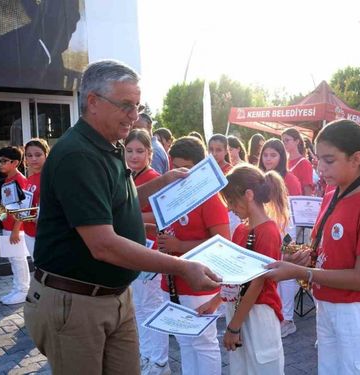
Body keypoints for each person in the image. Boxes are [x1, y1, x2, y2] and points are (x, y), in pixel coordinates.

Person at [24, 60, 220, 375]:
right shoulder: (79, 156)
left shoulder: (108, 146)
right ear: (93, 103)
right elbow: (104, 245)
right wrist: (183, 266)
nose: (134, 115)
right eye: (126, 106)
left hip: (112, 297)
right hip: (77, 303)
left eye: (137, 106)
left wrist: (164, 182)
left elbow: (118, 204)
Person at [267, 119, 360, 375]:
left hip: (357, 313)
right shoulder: (331, 195)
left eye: (329, 160)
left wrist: (301, 273)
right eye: (318, 159)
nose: (320, 167)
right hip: (327, 306)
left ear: (356, 158)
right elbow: (326, 249)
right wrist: (306, 257)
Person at [198, 165, 287, 374]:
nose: (229, 208)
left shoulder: (268, 231)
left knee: (263, 368)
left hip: (258, 313)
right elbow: (234, 276)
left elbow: (257, 283)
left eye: (231, 201)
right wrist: (214, 302)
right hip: (239, 309)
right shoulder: (241, 229)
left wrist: (234, 326)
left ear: (248, 195)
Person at [157, 136, 230, 375]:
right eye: (175, 166)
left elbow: (222, 244)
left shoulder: (209, 197)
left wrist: (179, 244)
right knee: (184, 343)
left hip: (199, 285)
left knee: (203, 344)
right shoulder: (171, 194)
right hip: (172, 281)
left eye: (185, 167)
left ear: (200, 167)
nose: (179, 173)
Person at [123, 129, 169, 375]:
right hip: (131, 248)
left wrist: (127, 218)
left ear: (150, 154)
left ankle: (160, 361)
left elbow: (162, 214)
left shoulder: (153, 177)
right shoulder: (127, 176)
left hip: (149, 249)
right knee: (139, 306)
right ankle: (147, 354)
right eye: (129, 150)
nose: (134, 156)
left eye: (140, 151)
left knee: (151, 306)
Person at [257, 138, 302, 337]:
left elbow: (294, 209)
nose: (268, 158)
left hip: (285, 230)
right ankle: (276, 314)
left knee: (286, 274)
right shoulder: (257, 176)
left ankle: (288, 318)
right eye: (265, 154)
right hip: (267, 230)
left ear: (281, 156)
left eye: (273, 155)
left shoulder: (290, 179)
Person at [0, 146, 30, 305]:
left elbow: (25, 207)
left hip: (16, 229)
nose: (0, 164)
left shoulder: (20, 180)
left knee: (18, 259)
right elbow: (8, 206)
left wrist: (16, 229)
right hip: (8, 227)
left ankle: (23, 290)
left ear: (15, 162)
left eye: (4, 161)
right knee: (13, 259)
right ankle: (17, 288)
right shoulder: (7, 181)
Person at [23, 138, 50, 260]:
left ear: (46, 155)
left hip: (44, 234)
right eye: (29, 155)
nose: (33, 159)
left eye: (38, 155)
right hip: (29, 232)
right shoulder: (30, 178)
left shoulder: (49, 177)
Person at [282, 128, 314, 196]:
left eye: (287, 140)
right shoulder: (283, 161)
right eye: (283, 141)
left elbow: (308, 192)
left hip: (298, 202)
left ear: (297, 141)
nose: (284, 143)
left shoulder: (305, 163)